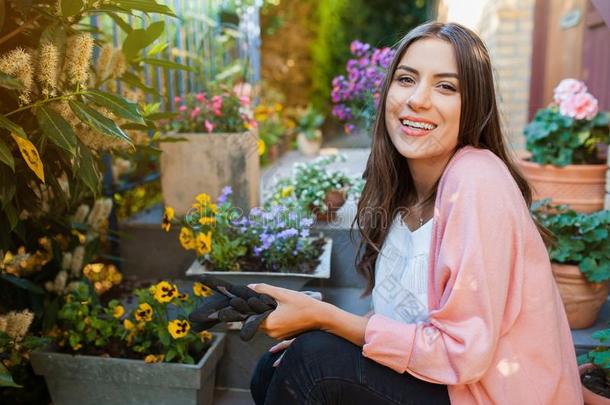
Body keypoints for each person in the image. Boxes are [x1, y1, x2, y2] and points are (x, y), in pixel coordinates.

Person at [248, 21, 583, 404]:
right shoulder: (403, 186)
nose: (418, 99)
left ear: (473, 105)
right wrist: (316, 321)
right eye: (406, 79)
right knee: (271, 369)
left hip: (481, 392)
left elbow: (462, 355)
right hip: (439, 380)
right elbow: (406, 322)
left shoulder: (477, 179)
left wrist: (326, 320)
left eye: (446, 86)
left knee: (311, 363)